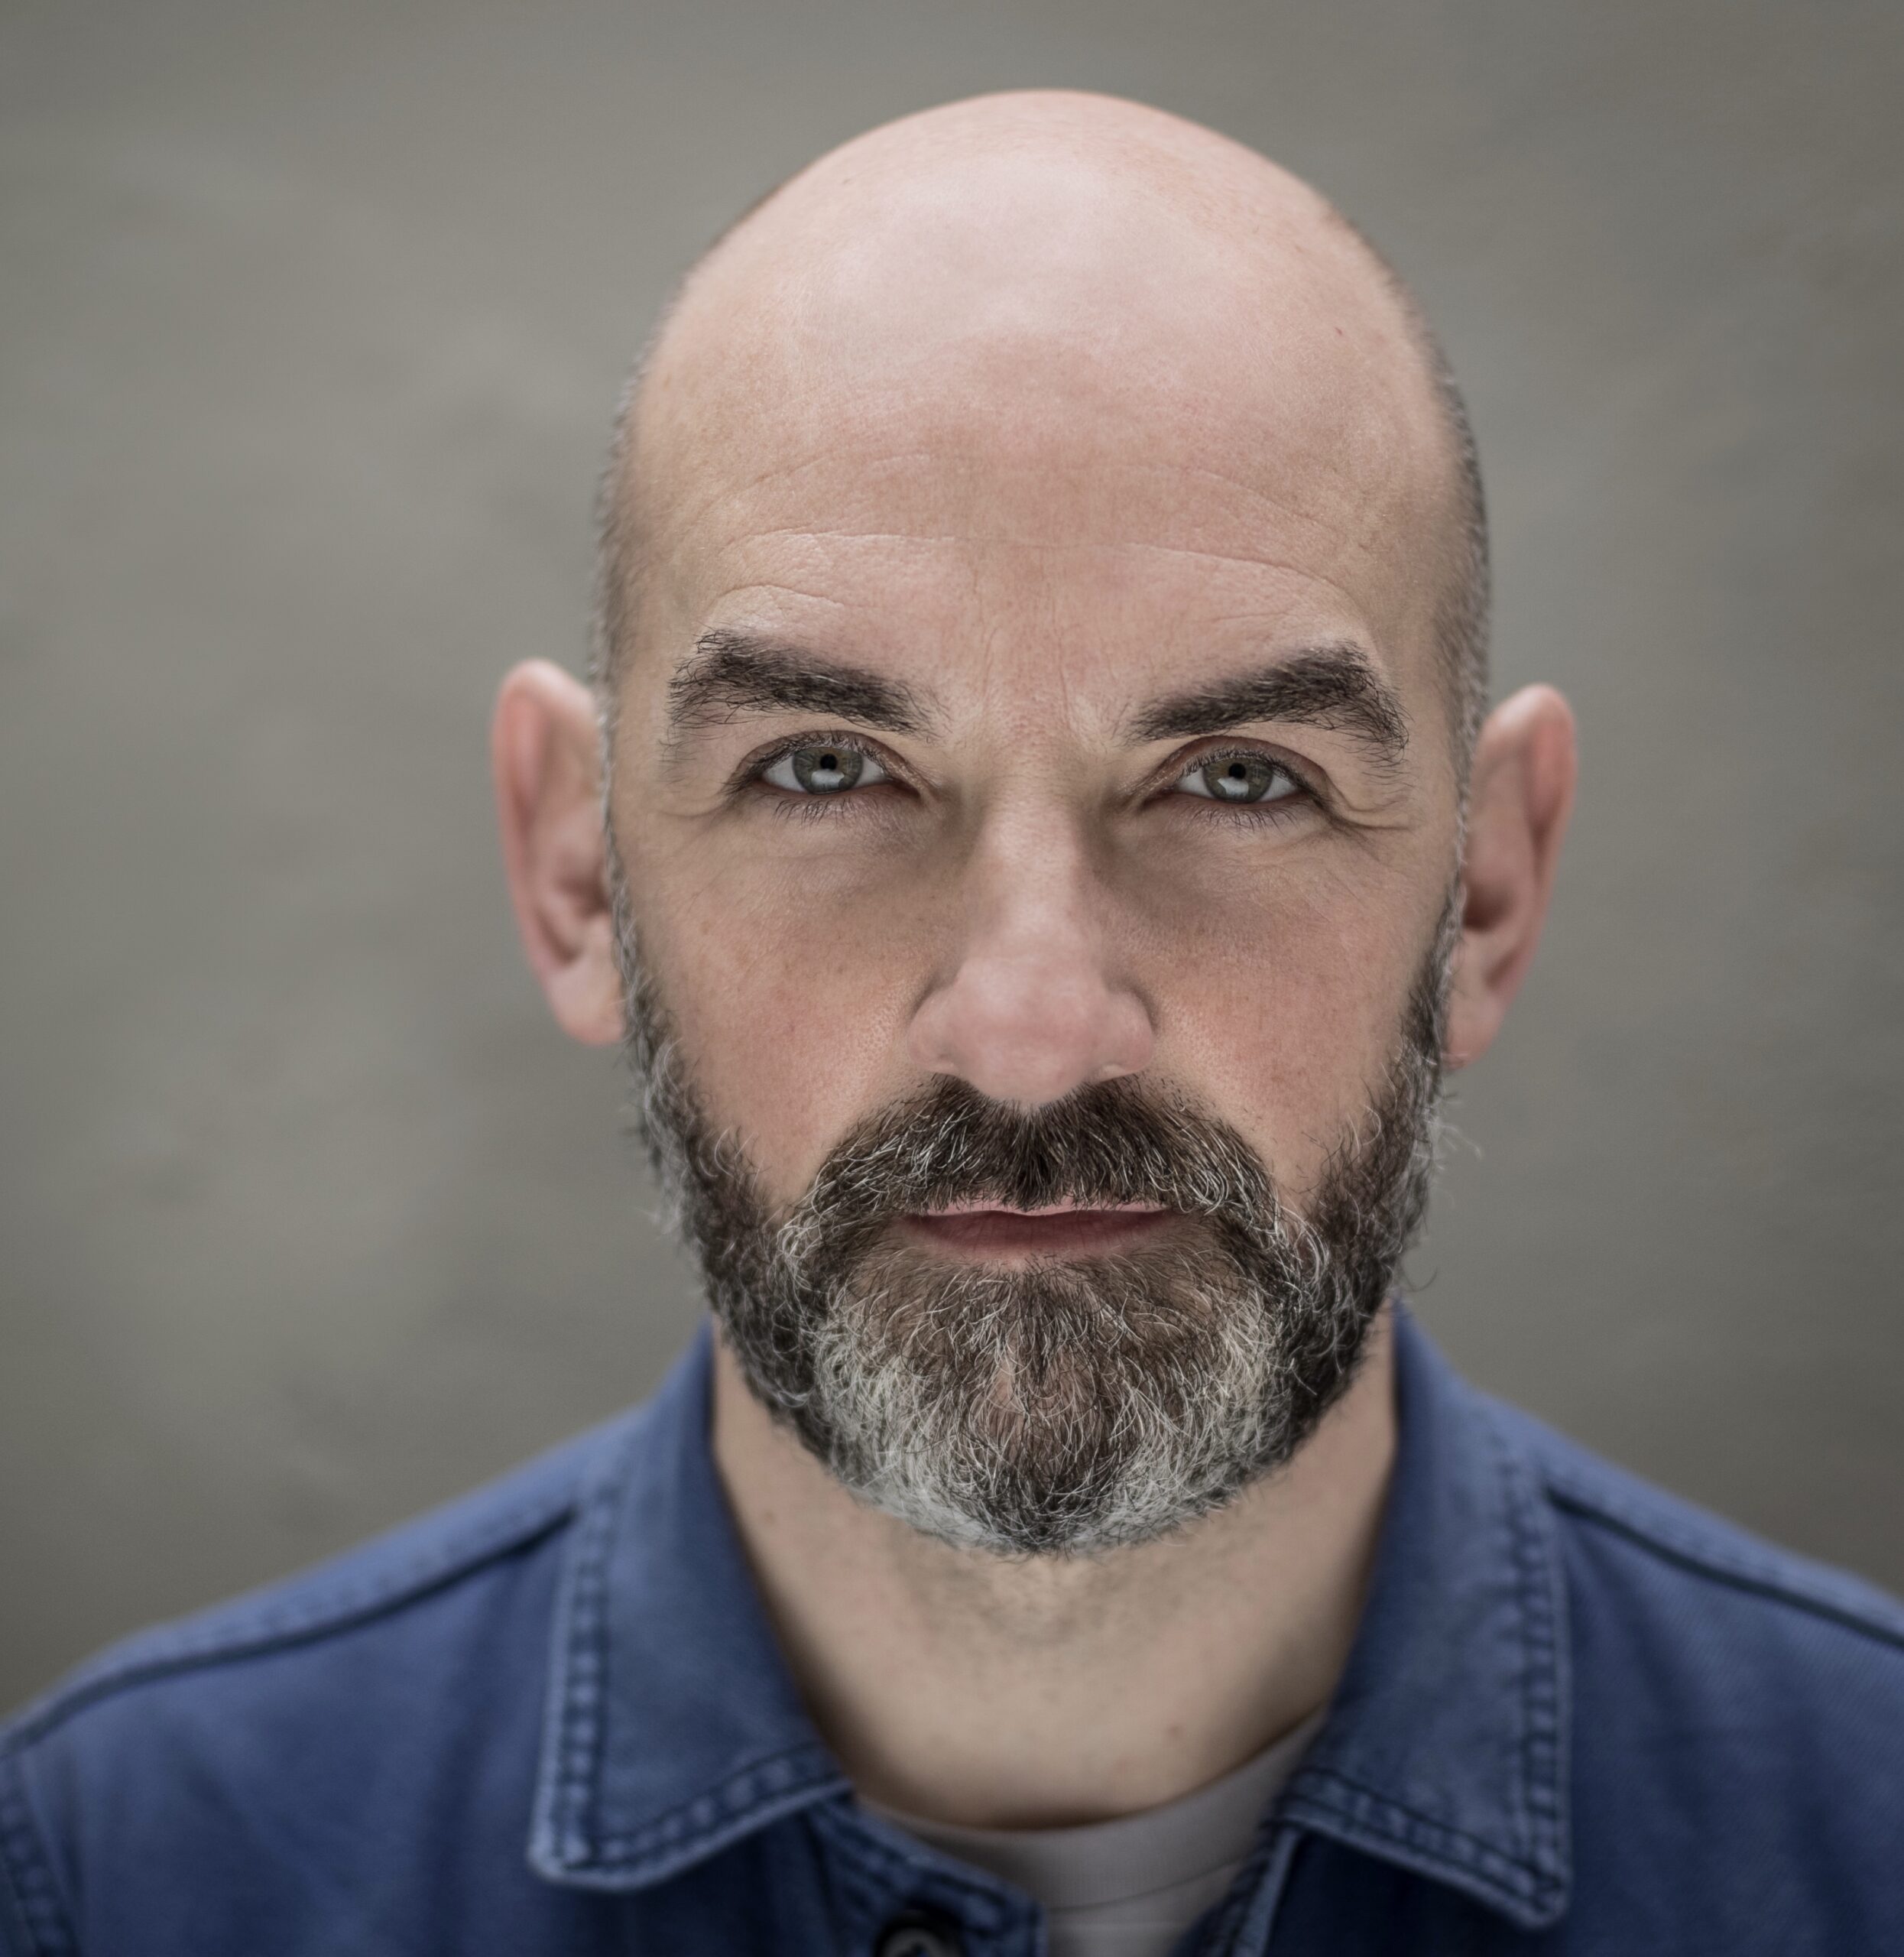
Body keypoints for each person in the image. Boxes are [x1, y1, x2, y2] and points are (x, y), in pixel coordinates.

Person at [2, 89, 1899, 1957]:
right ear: (579, 874)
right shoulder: (119, 1882)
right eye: (826, 767)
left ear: (1483, 890)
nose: (1030, 1032)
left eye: (1240, 778)